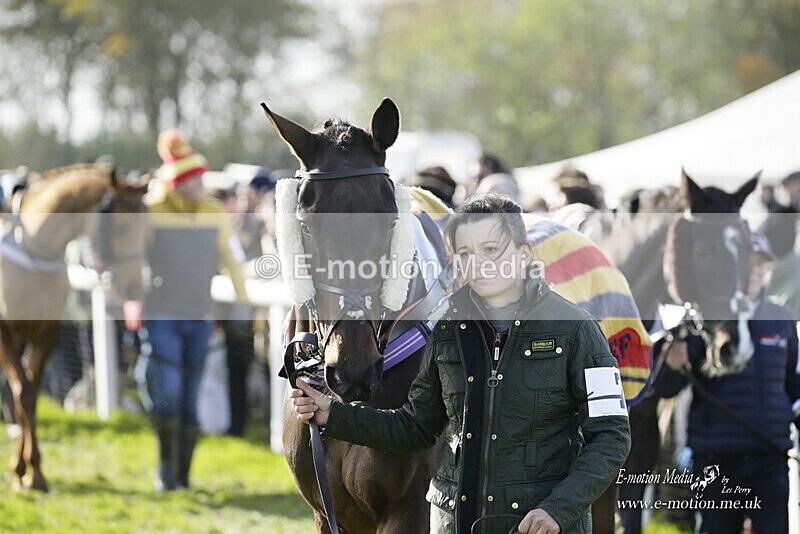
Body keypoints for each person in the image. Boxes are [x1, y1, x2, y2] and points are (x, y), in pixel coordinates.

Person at [290, 193, 632, 533]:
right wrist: (332, 415)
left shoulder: (580, 329)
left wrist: (559, 510)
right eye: (466, 253)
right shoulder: (445, 330)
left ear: (524, 254)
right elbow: (415, 427)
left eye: (491, 250)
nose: (478, 263)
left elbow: (612, 436)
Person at [125, 128, 247, 491]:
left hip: (200, 316)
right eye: (195, 179)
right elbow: (131, 258)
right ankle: (166, 472)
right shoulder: (150, 212)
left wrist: (244, 301)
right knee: (171, 393)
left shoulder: (214, 211)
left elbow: (231, 258)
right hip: (161, 315)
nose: (202, 184)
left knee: (190, 400)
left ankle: (182, 477)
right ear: (178, 182)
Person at [658, 232, 800, 534]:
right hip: (716, 461)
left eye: (763, 265)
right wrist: (672, 363)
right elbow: (668, 387)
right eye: (751, 263)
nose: (757, 271)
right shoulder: (704, 320)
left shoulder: (783, 319)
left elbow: (794, 386)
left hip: (771, 459)